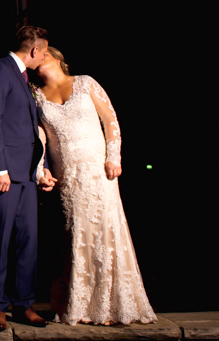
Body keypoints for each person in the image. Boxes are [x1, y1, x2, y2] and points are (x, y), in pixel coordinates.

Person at [35, 46, 156, 325]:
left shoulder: (85, 82)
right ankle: (81, 306)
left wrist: (114, 157)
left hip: (98, 171)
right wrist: (41, 170)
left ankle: (115, 305)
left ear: (58, 59)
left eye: (45, 54)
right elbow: (39, 138)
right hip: (68, 176)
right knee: (75, 235)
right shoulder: (37, 96)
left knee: (106, 231)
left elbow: (110, 120)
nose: (40, 57)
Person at [0, 25, 57, 332]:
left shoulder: (25, 79)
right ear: (35, 50)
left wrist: (40, 169)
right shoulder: (0, 69)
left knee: (28, 241)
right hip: (6, 174)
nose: (45, 57)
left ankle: (24, 305)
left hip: (27, 174)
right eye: (45, 51)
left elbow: (29, 129)